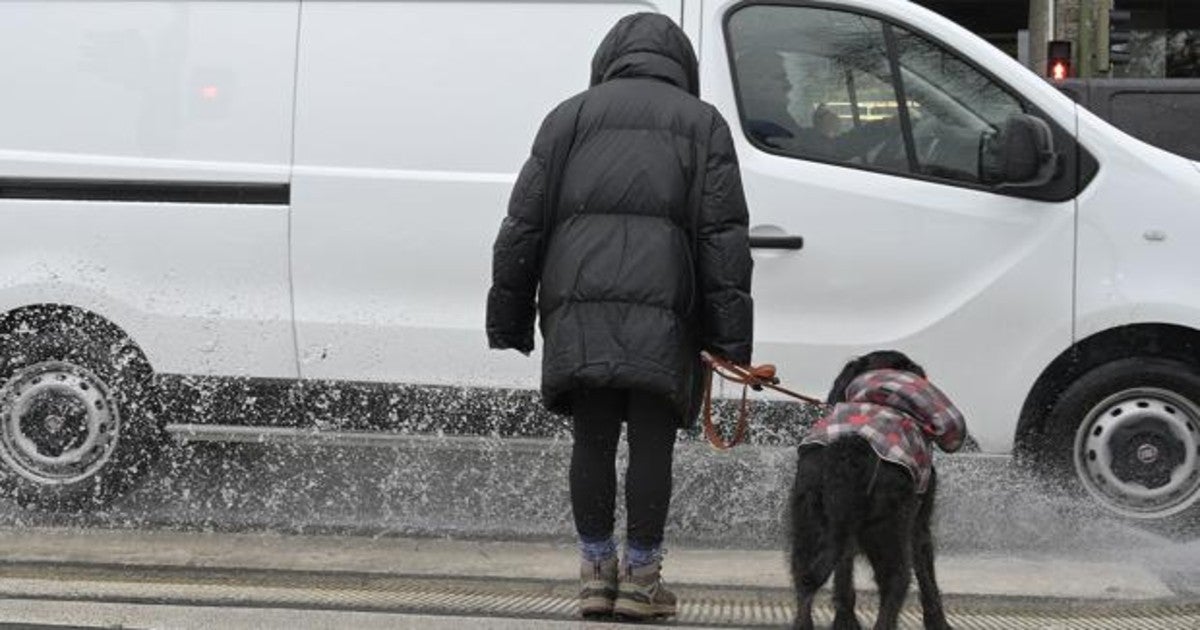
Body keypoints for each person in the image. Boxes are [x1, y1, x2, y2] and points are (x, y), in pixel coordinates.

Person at [486, 12, 753, 621]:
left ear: (608, 59)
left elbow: (522, 227)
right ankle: (642, 580)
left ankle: (594, 576)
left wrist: (509, 316)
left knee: (594, 440)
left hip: (578, 308)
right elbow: (722, 238)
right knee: (652, 445)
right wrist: (729, 341)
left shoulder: (568, 119)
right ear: (680, 65)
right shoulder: (702, 123)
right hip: (667, 315)